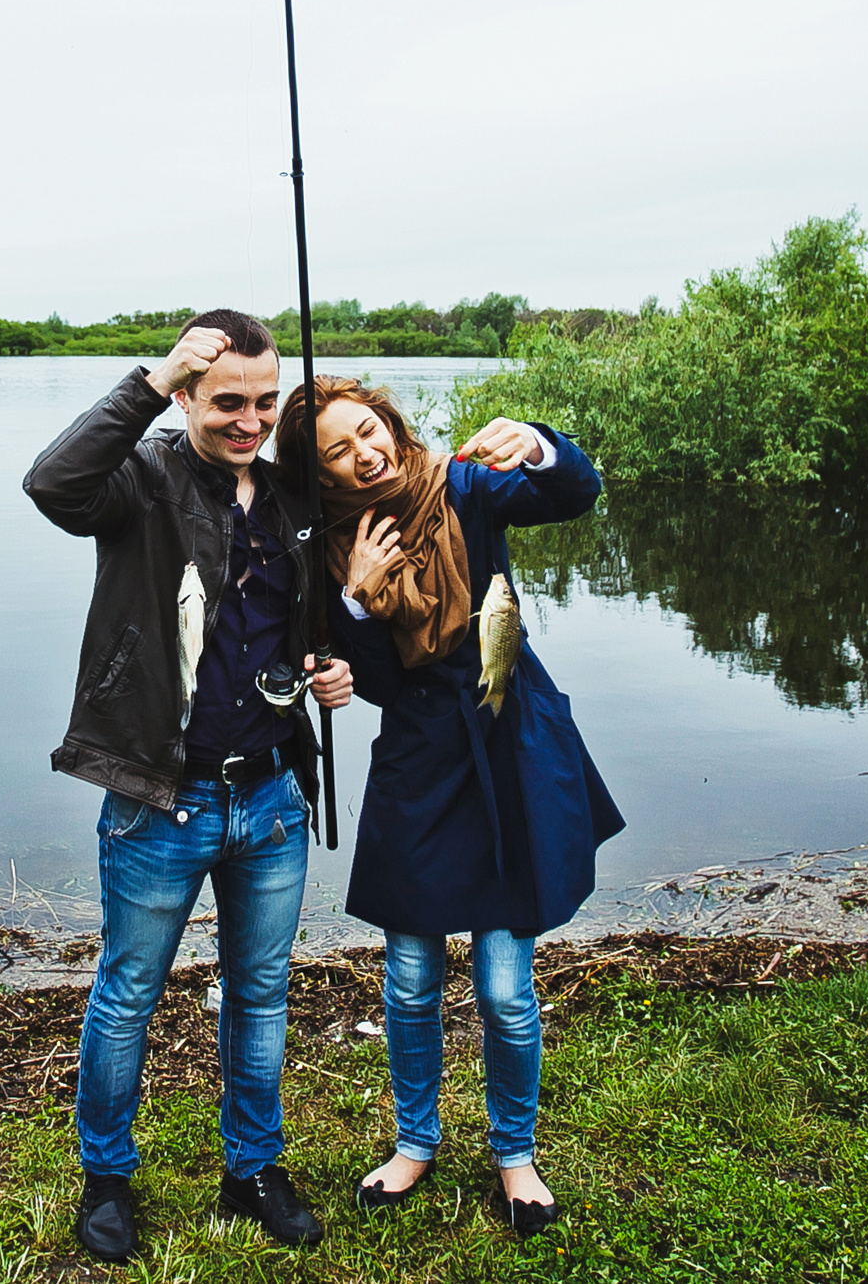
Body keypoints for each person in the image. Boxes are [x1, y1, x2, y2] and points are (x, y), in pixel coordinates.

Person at [23, 310, 356, 1263]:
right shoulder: (145, 480)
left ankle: (253, 1169)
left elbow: (312, 616)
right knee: (128, 993)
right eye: (226, 404)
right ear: (185, 395)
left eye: (264, 402)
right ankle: (108, 1180)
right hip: (158, 797)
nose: (249, 422)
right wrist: (146, 379)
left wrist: (330, 670)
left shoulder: (297, 493)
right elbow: (52, 482)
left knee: (261, 991)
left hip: (272, 796)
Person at [272, 375, 621, 1240]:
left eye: (369, 430)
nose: (367, 453)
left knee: (505, 991)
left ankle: (515, 1155)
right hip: (419, 763)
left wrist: (536, 444)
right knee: (411, 977)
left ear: (387, 421)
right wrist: (354, 599)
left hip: (511, 749)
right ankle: (413, 1143)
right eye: (340, 453)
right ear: (322, 477)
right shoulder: (331, 548)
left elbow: (576, 490)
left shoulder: (463, 484)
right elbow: (381, 686)